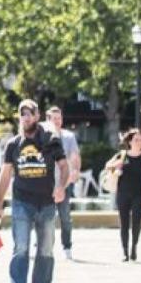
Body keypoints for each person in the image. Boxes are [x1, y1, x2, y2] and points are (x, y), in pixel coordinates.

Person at [0, 99, 69, 283]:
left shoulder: (50, 140)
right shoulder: (13, 144)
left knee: (45, 248)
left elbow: (64, 166)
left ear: (37, 116)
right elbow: (5, 174)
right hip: (21, 202)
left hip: (46, 203)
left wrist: (61, 186)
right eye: (22, 114)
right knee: (21, 247)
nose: (26, 118)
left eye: (29, 114)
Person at [106, 129, 141, 261]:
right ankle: (125, 252)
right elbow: (107, 166)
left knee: (136, 223)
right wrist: (116, 165)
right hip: (123, 193)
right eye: (136, 139)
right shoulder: (122, 155)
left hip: (139, 194)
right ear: (130, 141)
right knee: (124, 223)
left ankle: (134, 248)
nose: (139, 142)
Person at [45, 107, 82, 260]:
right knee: (46, 217)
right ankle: (46, 247)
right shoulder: (43, 136)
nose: (57, 121)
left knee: (65, 217)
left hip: (64, 183)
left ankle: (67, 246)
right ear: (48, 120)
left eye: (59, 118)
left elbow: (75, 156)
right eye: (53, 118)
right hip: (46, 184)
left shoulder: (68, 136)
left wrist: (76, 171)